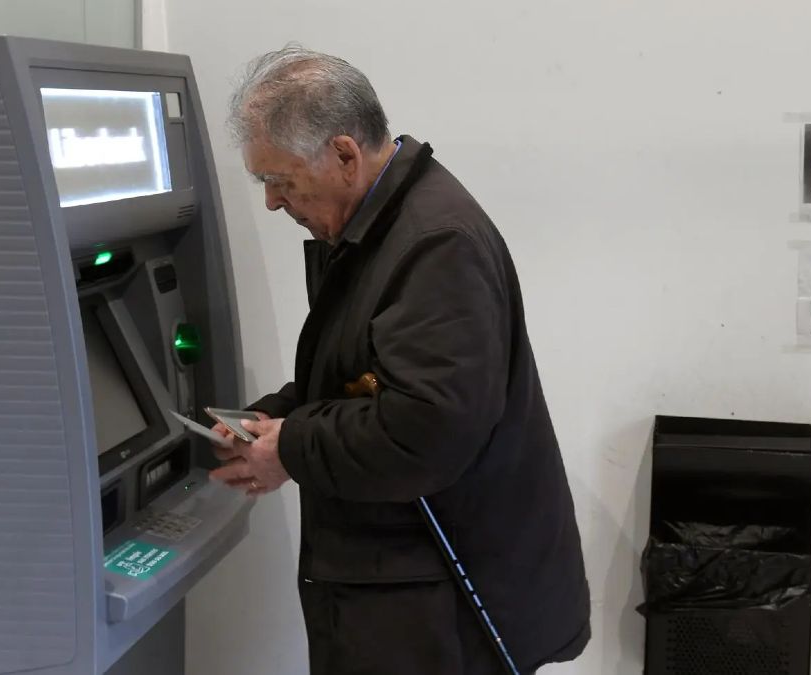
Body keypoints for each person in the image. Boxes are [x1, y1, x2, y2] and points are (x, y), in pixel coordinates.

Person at [208, 45, 590, 674]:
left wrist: (292, 447)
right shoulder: (382, 226)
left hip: (447, 602)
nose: (273, 201)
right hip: (416, 584)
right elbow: (362, 374)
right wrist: (275, 417)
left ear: (344, 155)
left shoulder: (435, 244)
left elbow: (426, 429)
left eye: (281, 179)